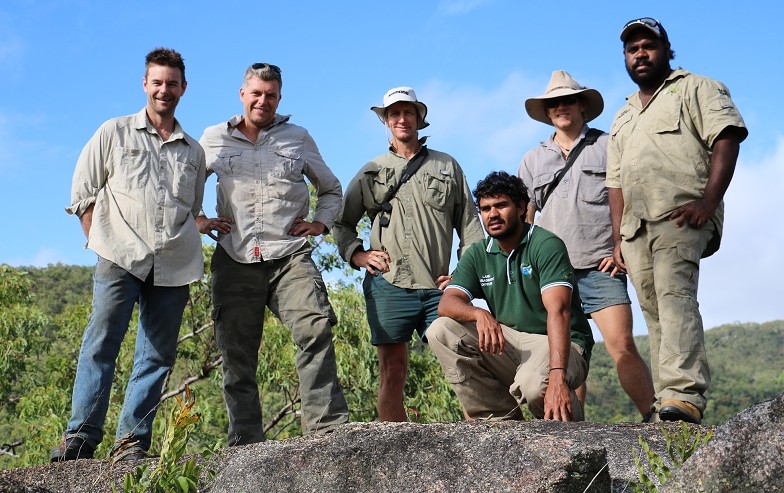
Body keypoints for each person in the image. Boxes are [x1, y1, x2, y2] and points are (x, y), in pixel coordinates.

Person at [53, 48, 205, 462]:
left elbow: (191, 209)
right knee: (101, 343)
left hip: (174, 264)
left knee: (156, 356)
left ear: (183, 89)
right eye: (157, 82)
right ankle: (80, 437)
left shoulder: (194, 151)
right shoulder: (113, 132)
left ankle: (131, 443)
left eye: (172, 83)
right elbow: (82, 191)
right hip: (118, 257)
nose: (164, 90)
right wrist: (98, 241)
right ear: (145, 84)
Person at [197, 63, 348, 445]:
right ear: (243, 94)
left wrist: (320, 224)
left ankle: (326, 432)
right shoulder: (214, 138)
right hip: (235, 256)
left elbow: (331, 189)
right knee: (236, 355)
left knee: (315, 328)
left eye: (271, 95)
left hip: (289, 255)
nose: (263, 101)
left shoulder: (297, 137)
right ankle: (246, 444)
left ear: (279, 98)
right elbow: (184, 182)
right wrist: (198, 218)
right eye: (257, 93)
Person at [607, 18, 748, 424]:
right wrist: (617, 237)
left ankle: (685, 395)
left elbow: (726, 137)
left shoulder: (697, 87)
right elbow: (614, 181)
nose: (640, 54)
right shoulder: (623, 115)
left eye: (648, 46)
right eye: (632, 49)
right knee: (653, 311)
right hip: (636, 229)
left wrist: (708, 201)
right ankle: (666, 399)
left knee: (675, 298)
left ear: (668, 50)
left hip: (681, 214)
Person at [333, 87, 484, 421]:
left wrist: (463, 278)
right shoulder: (371, 170)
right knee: (392, 369)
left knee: (462, 365)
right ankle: (392, 454)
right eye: (395, 114)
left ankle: (479, 445)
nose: (402, 119)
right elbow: (342, 223)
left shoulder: (447, 166)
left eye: (409, 113)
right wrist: (358, 256)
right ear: (386, 121)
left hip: (439, 287)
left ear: (419, 118)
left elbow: (470, 227)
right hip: (389, 284)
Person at [518, 70, 654, 420]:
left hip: (600, 266)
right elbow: (525, 220)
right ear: (547, 112)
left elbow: (634, 199)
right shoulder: (533, 159)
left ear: (581, 105)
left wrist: (622, 246)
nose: (561, 107)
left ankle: (659, 424)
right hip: (550, 274)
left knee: (622, 346)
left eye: (567, 100)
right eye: (554, 103)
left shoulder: (609, 145)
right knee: (566, 355)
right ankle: (573, 437)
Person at [426, 171, 594, 421]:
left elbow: (559, 312)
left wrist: (557, 376)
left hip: (561, 343)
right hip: (512, 344)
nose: (492, 214)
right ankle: (499, 424)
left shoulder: (545, 244)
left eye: (501, 205)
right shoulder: (478, 254)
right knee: (441, 330)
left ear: (521, 208)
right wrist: (478, 313)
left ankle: (572, 443)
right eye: (485, 209)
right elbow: (447, 303)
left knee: (537, 386)